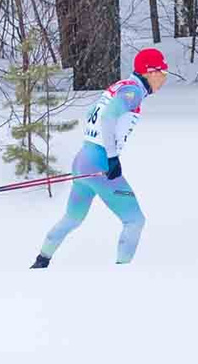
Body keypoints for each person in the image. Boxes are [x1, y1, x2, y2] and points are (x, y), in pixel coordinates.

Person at [32, 47, 170, 269]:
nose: (164, 78)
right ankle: (122, 275)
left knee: (73, 218)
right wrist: (112, 157)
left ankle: (40, 262)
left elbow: (91, 113)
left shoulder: (120, 86)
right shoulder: (133, 91)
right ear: (150, 72)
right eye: (163, 73)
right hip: (100, 162)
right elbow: (107, 118)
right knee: (134, 220)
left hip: (83, 159)